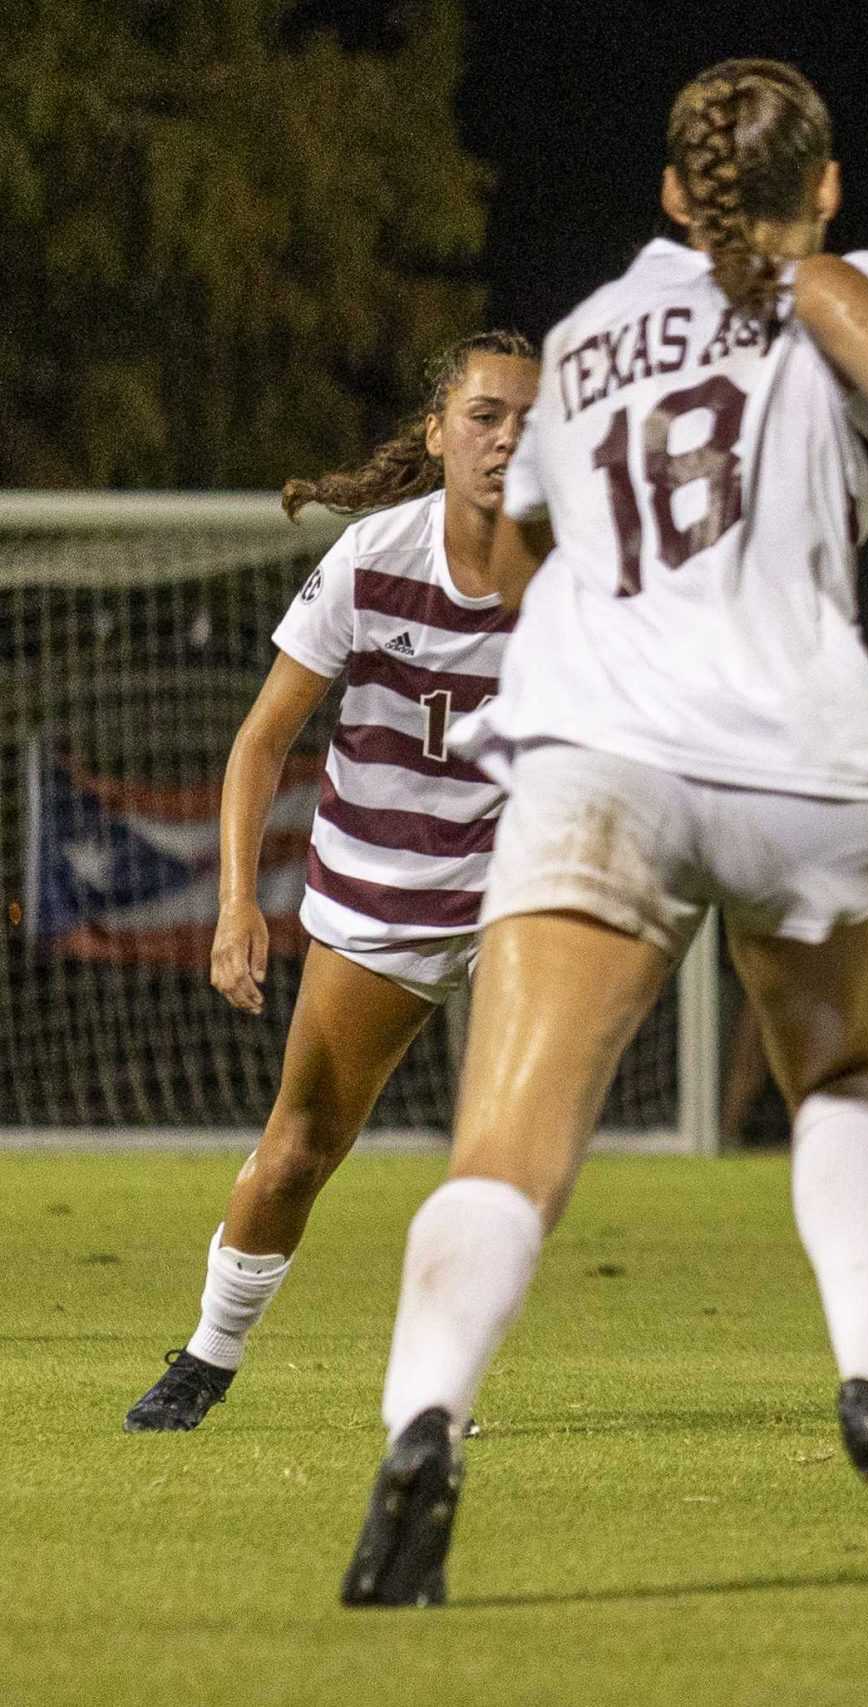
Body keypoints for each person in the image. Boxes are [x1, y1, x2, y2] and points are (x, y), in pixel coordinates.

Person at [339, 58, 868, 1607]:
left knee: (514, 1137)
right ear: (825, 189)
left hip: (601, 750)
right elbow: (831, 307)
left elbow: (518, 544)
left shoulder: (585, 339)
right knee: (845, 1069)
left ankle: (425, 1419)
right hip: (800, 749)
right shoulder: (855, 279)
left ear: (673, 194)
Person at [123, 332, 537, 1433]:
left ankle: (438, 1388)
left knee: (503, 1161)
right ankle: (207, 1360)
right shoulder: (370, 559)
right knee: (300, 1147)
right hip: (380, 897)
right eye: (485, 416)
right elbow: (262, 742)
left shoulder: (582, 570)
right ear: (440, 430)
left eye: (527, 421)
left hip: (518, 904)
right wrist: (233, 906)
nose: (506, 439)